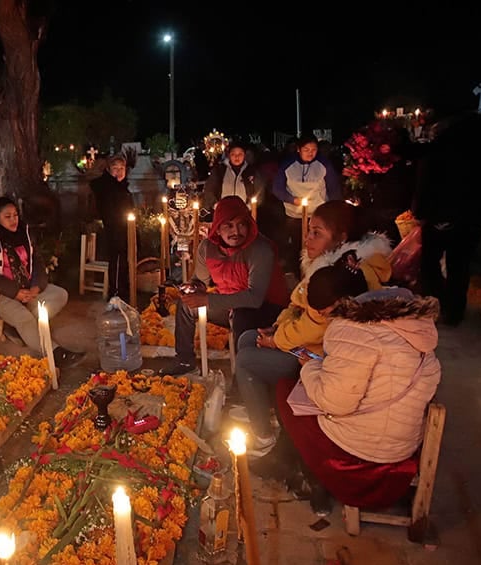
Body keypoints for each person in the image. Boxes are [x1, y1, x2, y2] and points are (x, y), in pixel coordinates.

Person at [276, 264, 441, 514]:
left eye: (325, 312)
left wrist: (309, 367)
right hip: (401, 449)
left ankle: (312, 479)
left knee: (285, 392)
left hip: (359, 455)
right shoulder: (417, 328)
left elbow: (334, 402)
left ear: (341, 303)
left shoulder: (352, 329)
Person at [233, 200, 392, 456]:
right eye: (309, 231)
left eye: (317, 233)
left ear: (341, 237)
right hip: (306, 342)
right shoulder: (326, 264)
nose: (308, 239)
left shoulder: (344, 276)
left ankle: (263, 435)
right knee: (247, 338)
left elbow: (316, 326)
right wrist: (277, 327)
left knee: (246, 360)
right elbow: (297, 305)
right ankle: (261, 407)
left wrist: (277, 339)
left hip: (319, 358)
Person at [161, 196, 288, 376]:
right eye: (228, 225)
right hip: (230, 305)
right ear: (218, 229)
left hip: (266, 310)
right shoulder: (207, 248)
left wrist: (208, 299)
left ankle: (243, 377)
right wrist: (193, 288)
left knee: (241, 314)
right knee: (187, 305)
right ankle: (184, 360)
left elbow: (254, 298)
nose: (236, 231)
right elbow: (200, 281)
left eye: (241, 224)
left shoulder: (260, 250)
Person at [0, 197, 83, 367]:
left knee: (60, 295)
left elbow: (37, 262)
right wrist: (15, 292)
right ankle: (56, 354)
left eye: (15, 215)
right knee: (24, 319)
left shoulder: (23, 233)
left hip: (26, 288)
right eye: (7, 216)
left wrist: (36, 287)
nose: (13, 220)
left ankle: (16, 328)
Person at [413, 111, 481, 326]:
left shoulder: (443, 147)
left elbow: (427, 179)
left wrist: (421, 212)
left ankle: (435, 305)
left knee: (430, 263)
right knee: (459, 266)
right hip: (474, 219)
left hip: (442, 214)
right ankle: (454, 312)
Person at [273, 133, 343, 277]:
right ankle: (298, 274)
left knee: (318, 246)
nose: (310, 153)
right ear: (298, 149)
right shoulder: (288, 165)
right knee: (297, 246)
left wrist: (333, 210)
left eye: (314, 150)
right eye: (306, 150)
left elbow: (333, 188)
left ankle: (316, 274)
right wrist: (292, 199)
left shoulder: (324, 164)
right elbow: (277, 188)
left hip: (318, 215)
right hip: (294, 215)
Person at [90, 155, 135, 300]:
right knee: (117, 260)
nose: (119, 172)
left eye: (122, 168)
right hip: (113, 230)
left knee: (124, 261)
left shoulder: (122, 186)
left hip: (124, 228)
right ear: (109, 170)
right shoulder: (107, 187)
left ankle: (124, 290)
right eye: (115, 168)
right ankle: (116, 293)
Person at [202, 141, 262, 213]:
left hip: (244, 212)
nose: (237, 157)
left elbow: (259, 193)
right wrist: (216, 205)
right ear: (229, 155)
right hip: (222, 211)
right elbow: (209, 189)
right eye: (233, 154)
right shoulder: (220, 170)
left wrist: (248, 207)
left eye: (240, 154)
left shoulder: (251, 171)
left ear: (244, 155)